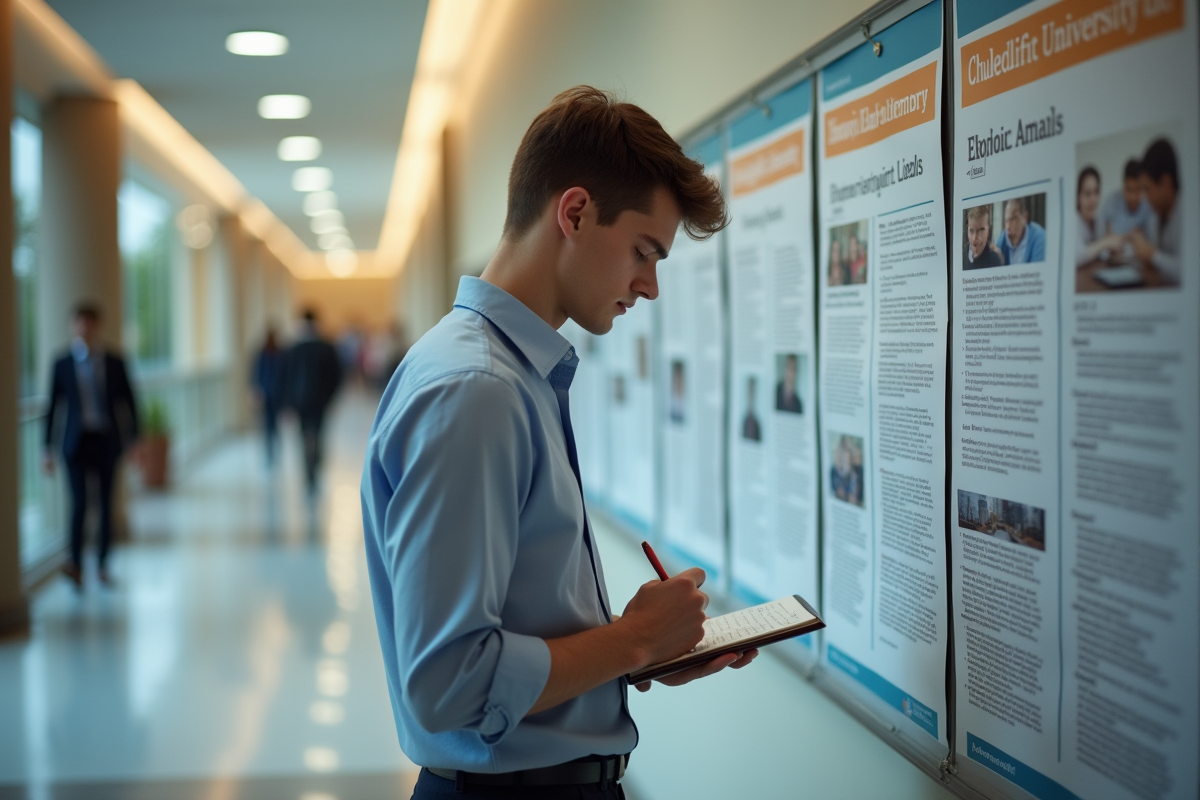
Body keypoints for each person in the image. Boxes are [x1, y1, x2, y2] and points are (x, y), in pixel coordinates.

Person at [360, 86, 755, 800]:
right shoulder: (476, 390)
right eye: (644, 250)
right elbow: (448, 684)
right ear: (574, 212)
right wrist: (631, 640)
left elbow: (516, 627)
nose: (650, 284)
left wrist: (641, 649)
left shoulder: (511, 375)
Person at [42, 302, 139, 588]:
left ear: (98, 326)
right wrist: (46, 447)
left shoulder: (114, 361)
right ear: (73, 326)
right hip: (75, 443)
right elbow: (53, 407)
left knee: (106, 503)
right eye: (79, 322)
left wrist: (135, 440)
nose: (84, 328)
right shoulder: (61, 363)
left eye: (89, 322)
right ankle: (75, 563)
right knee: (79, 504)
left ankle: (103, 564)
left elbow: (129, 402)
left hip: (107, 441)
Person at [278, 309, 342, 496]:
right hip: (320, 400)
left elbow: (285, 378)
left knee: (304, 435)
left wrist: (287, 403)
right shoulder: (326, 347)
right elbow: (336, 376)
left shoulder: (292, 348)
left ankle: (309, 470)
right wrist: (331, 397)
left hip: (300, 402)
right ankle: (315, 465)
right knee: (318, 433)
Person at [1130, 138, 1180, 283]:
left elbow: (1190, 271)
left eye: (1148, 189)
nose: (1145, 198)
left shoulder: (1187, 214)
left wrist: (1153, 255)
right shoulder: (1157, 215)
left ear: (1166, 182)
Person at [1076, 166, 1124, 267]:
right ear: (1078, 197)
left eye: (1096, 192)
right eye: (1087, 194)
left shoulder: (1096, 220)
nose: (1093, 200)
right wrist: (1106, 242)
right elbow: (1077, 256)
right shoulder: (1073, 219)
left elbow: (1102, 253)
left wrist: (1112, 248)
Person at [252, 326, 284, 467]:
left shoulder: (266, 353)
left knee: (269, 423)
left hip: (268, 393)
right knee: (271, 423)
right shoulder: (276, 353)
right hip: (273, 393)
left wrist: (256, 390)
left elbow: (256, 374)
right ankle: (272, 450)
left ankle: (271, 450)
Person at [1100, 158, 1155, 237]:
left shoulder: (1149, 206)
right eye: (1129, 189)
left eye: (1137, 190)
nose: (1132, 197)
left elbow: (1153, 242)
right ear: (1123, 185)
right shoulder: (1111, 202)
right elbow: (1101, 237)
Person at [996, 196, 1046, 264]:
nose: (1007, 226)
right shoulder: (1004, 237)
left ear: (1025, 217)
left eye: (1013, 219)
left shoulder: (1040, 238)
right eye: (1006, 220)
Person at [963, 204, 1005, 269]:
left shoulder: (995, 261)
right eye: (971, 231)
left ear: (989, 230)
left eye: (981, 230)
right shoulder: (959, 256)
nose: (974, 239)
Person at [741, 376, 762, 441]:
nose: (751, 395)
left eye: (752, 392)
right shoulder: (743, 421)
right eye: (749, 391)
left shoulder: (757, 423)